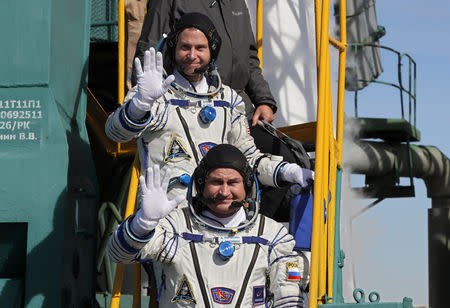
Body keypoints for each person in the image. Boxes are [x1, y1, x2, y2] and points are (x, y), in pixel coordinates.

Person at [105, 13, 314, 210]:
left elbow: (248, 158)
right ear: (173, 49)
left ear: (212, 51)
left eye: (200, 48)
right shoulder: (153, 93)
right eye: (185, 47)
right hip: (167, 216)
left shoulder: (229, 100)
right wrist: (140, 105)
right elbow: (116, 134)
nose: (192, 55)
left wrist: (287, 171)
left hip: (216, 218)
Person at [108, 144, 308, 307]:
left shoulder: (271, 235)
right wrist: (143, 224)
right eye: (216, 182)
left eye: (232, 182)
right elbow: (117, 255)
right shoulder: (177, 227)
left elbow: (287, 296)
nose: (224, 191)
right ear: (201, 185)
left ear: (247, 186)